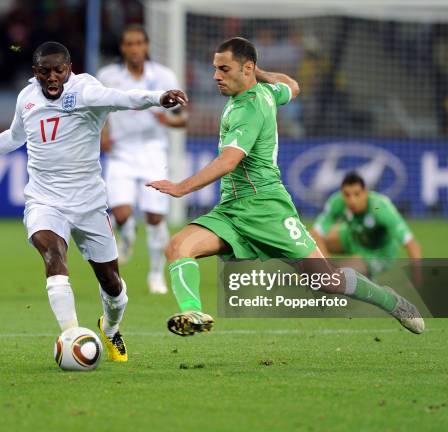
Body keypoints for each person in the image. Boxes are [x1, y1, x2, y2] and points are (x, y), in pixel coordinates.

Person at [147, 37, 424, 337]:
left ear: (246, 68)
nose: (216, 76)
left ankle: (391, 301)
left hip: (268, 209)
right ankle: (192, 312)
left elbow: (228, 162)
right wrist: (259, 74)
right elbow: (292, 85)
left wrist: (182, 188)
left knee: (327, 283)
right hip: (232, 211)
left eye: (224, 69)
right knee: (178, 246)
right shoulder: (267, 91)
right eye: (215, 68)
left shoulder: (249, 109)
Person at [0, 41, 187, 361]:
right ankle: (73, 336)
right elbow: (13, 137)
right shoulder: (27, 97)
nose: (52, 78)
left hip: (89, 203)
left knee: (113, 286)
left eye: (58, 71)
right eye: (44, 71)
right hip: (44, 200)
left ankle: (109, 329)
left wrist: (157, 98)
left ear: (70, 68)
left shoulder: (85, 91)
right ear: (34, 72)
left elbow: (122, 99)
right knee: (53, 254)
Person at [97, 25, 187, 294]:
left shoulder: (163, 76)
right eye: (129, 44)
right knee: (122, 214)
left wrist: (168, 121)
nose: (134, 48)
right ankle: (126, 236)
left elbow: (183, 119)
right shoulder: (108, 76)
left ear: (146, 46)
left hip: (152, 153)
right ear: (123, 48)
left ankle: (156, 274)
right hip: (121, 153)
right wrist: (102, 134)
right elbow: (98, 110)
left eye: (139, 43)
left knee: (155, 217)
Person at [310, 171, 421, 278]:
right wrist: (325, 262)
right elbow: (315, 233)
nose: (352, 200)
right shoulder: (337, 202)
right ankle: (303, 273)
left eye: (357, 194)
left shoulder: (379, 208)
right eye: (347, 195)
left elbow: (412, 244)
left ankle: (367, 276)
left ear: (365, 193)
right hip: (353, 238)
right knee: (311, 243)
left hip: (378, 253)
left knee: (339, 275)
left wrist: (417, 279)